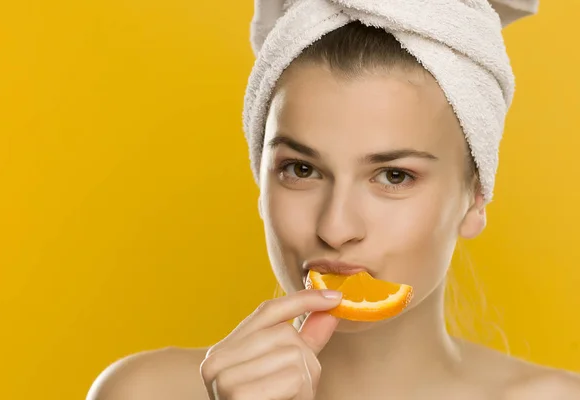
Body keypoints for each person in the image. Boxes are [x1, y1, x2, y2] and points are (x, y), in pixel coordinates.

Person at [87, 2, 580, 399]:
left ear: (475, 198)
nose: (336, 227)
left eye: (393, 175)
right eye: (301, 170)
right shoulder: (144, 391)